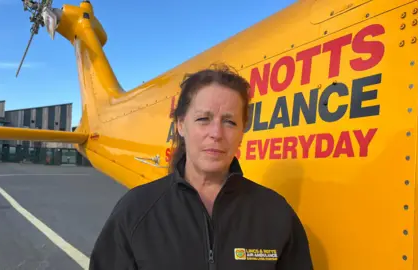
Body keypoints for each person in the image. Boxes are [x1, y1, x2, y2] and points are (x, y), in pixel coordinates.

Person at [89, 63, 314, 270]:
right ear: (180, 125)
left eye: (230, 122)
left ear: (242, 132)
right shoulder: (135, 212)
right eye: (203, 119)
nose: (216, 134)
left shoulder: (275, 213)